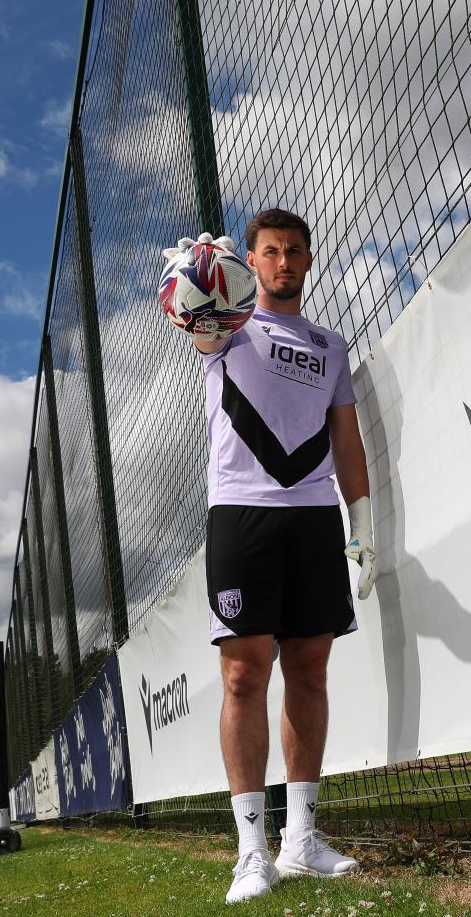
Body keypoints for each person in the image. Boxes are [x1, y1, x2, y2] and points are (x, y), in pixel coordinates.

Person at [166, 208, 378, 905]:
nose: (283, 261)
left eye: (294, 252)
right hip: (242, 514)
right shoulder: (224, 327)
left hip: (316, 518)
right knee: (241, 678)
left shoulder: (330, 346)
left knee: (310, 671)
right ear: (250, 261)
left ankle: (301, 842)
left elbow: (345, 440)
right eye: (270, 251)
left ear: (307, 262)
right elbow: (189, 310)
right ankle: (250, 852)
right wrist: (197, 268)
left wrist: (363, 522)